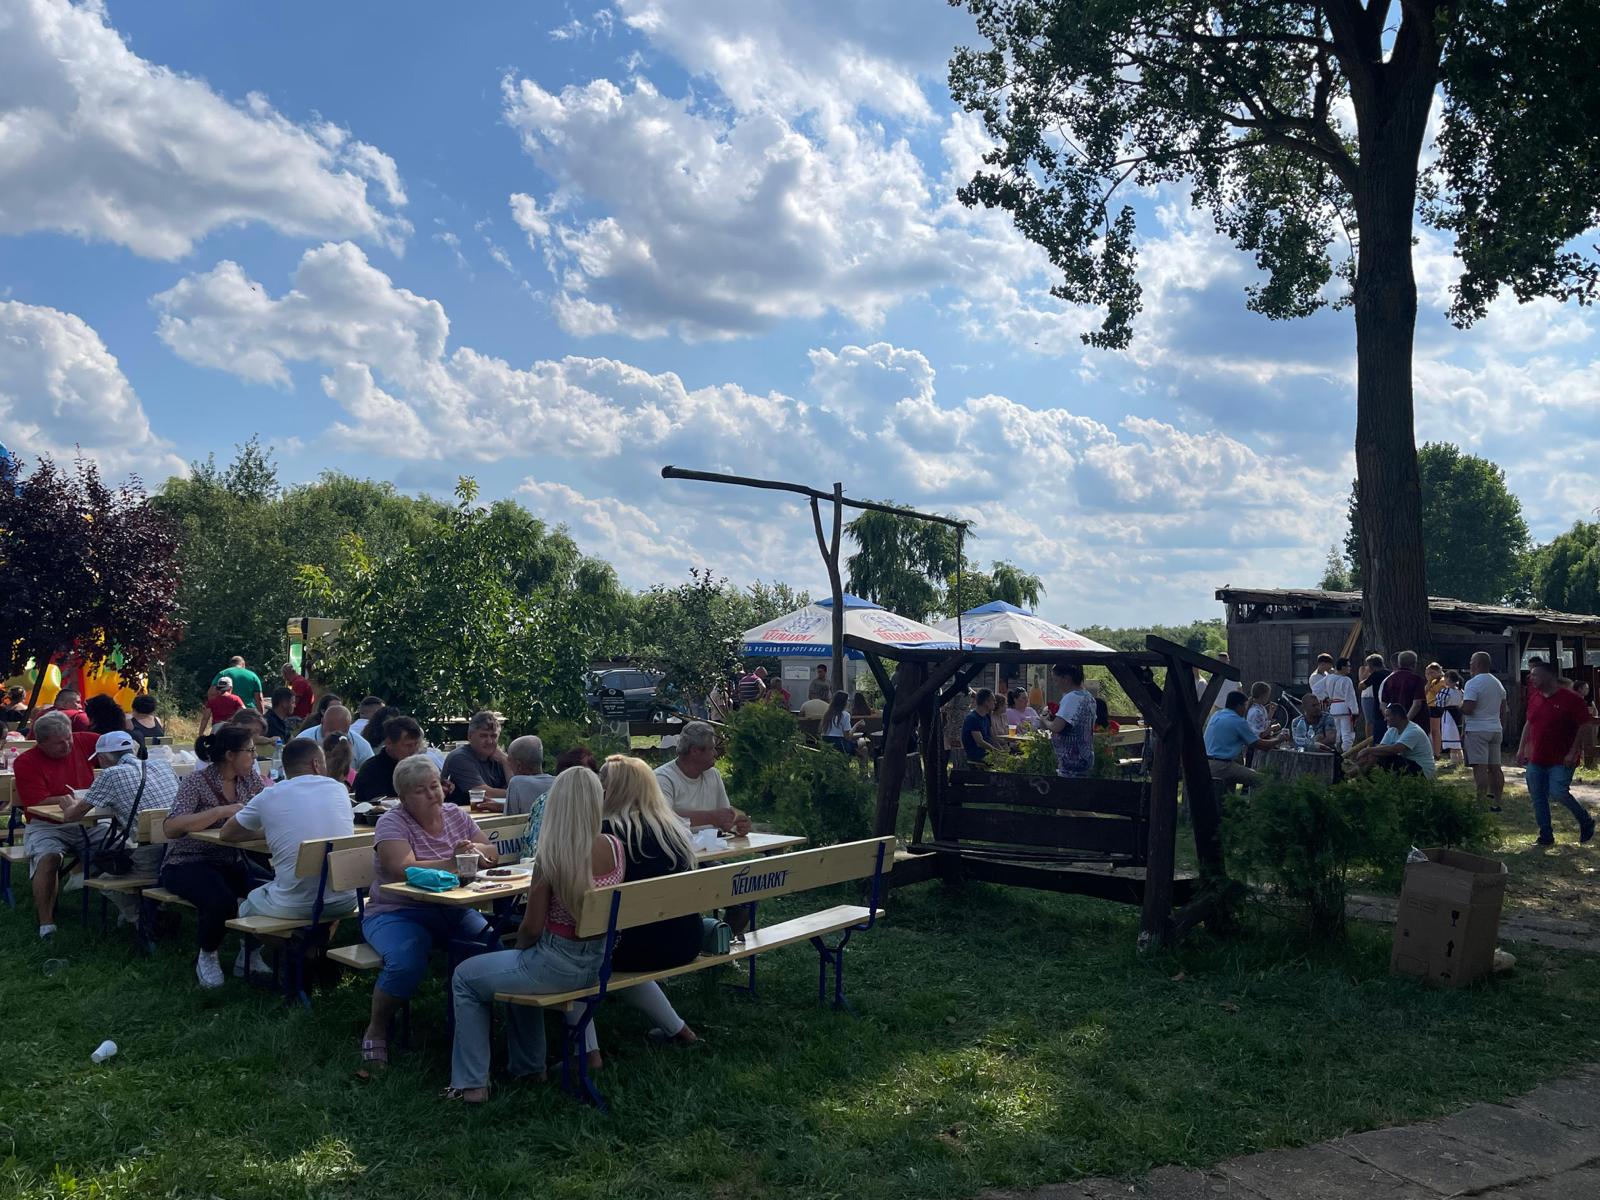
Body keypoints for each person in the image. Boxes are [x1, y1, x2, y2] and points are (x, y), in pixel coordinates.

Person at [446, 767, 618, 1100]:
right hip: (597, 965)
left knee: (465, 977)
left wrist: (522, 947)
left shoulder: (552, 855)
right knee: (514, 966)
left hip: (555, 966)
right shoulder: (614, 847)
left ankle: (472, 1084)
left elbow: (531, 928)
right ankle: (528, 1067)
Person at [358, 754, 500, 1068]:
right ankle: (377, 1028)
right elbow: (401, 868)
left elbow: (491, 853)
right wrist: (452, 861)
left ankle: (478, 1025)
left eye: (434, 786)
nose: (432, 794)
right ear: (403, 798)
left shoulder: (455, 814)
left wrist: (475, 851)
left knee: (492, 946)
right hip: (396, 911)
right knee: (405, 963)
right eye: (421, 790)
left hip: (452, 908)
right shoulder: (391, 822)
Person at [593, 756, 700, 1043]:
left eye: (602, 782)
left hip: (636, 949)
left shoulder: (606, 836)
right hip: (686, 940)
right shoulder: (674, 830)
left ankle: (586, 1050)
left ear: (612, 790)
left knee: (579, 954)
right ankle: (678, 1029)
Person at [158, 724, 270, 987]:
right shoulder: (197, 781)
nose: (254, 756)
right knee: (221, 901)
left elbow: (267, 809)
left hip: (230, 859)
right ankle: (207, 955)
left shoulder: (251, 780)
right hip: (186, 862)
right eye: (250, 750)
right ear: (230, 755)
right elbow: (171, 827)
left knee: (268, 892)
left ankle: (249, 953)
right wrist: (220, 811)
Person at [219, 738, 357, 921]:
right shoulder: (339, 790)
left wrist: (267, 831)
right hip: (346, 900)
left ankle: (285, 941)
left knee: (246, 903)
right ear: (316, 764)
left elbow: (226, 833)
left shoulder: (270, 795)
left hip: (294, 904)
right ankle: (310, 938)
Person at [66, 731, 179, 922]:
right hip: (180, 847)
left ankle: (143, 919)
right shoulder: (163, 765)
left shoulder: (110, 774)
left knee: (105, 881)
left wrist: (67, 804)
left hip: (153, 856)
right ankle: (152, 908)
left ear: (103, 758)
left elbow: (73, 815)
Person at [14, 712, 99, 939]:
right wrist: (62, 799)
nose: (67, 745)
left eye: (68, 738)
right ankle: (46, 923)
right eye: (59, 743)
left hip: (87, 821)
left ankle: (132, 913)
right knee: (49, 857)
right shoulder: (26, 762)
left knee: (123, 846)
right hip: (46, 824)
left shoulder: (84, 740)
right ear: (40, 743)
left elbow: (120, 745)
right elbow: (35, 803)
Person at [1517, 659, 1596, 846]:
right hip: (1537, 757)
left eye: (1535, 675)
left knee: (1558, 792)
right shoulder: (1535, 698)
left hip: (1562, 757)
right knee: (1538, 796)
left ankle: (1585, 820)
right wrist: (1521, 748)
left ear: (1549, 676)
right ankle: (1545, 835)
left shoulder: (1571, 699)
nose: (1531, 678)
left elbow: (1584, 725)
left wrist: (1573, 751)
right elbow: (1529, 723)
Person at [655, 722, 748, 833]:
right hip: (676, 843)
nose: (715, 753)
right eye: (711, 748)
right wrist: (710, 817)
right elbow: (662, 817)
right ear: (695, 751)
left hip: (713, 843)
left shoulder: (713, 775)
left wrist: (737, 825)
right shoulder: (663, 779)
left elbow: (725, 819)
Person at [1204, 691, 1288, 788]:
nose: (1246, 709)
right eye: (1245, 705)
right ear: (1239, 706)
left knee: (1231, 783)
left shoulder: (1217, 715)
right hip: (1223, 766)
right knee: (1265, 780)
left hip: (1206, 763)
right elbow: (1262, 746)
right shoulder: (1238, 721)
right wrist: (1279, 739)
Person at [1461, 651, 1508, 812]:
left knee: (1480, 767)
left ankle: (1480, 803)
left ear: (1476, 664)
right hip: (1495, 728)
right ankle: (1497, 802)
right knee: (1495, 767)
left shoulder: (1472, 683)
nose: (1470, 665)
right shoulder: (1497, 683)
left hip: (1477, 729)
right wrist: (1501, 726)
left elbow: (1468, 708)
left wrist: (1458, 705)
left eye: (1471, 662)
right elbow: (1503, 709)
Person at [502, 736, 555, 859]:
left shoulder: (517, 782)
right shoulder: (557, 782)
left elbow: (509, 821)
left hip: (528, 851)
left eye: (509, 760)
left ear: (518, 765)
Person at [441, 711, 510, 801]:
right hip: (461, 809)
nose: (489, 741)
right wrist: (515, 794)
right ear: (470, 737)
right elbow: (484, 793)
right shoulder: (459, 758)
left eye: (493, 736)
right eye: (483, 736)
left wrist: (505, 761)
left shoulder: (499, 758)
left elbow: (517, 784)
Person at [1355, 702, 1436, 778]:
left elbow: (1396, 749)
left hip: (1422, 770)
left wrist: (1367, 750)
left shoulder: (1413, 731)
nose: (1385, 719)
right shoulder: (1392, 729)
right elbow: (1381, 747)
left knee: (1381, 757)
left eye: (1387, 716)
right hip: (1408, 764)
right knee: (1375, 755)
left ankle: (1354, 777)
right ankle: (1357, 778)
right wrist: (1368, 754)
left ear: (1397, 716)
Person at [353, 716, 423, 803]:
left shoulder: (418, 766)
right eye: (408, 745)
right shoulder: (372, 769)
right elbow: (377, 802)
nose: (414, 750)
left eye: (416, 744)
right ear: (389, 743)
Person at [1048, 664, 1098, 778]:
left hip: (1072, 759)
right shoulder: (1088, 697)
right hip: (1085, 755)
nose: (1056, 684)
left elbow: (1057, 726)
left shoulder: (1071, 698)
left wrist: (1044, 720)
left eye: (1056, 680)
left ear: (1066, 679)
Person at [296, 703, 372, 767]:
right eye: (331, 731)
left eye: (340, 733)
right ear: (322, 722)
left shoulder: (361, 745)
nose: (334, 737)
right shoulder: (303, 741)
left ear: (349, 727)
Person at [1379, 650, 1427, 723]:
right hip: (1414, 722)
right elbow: (1417, 704)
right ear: (1414, 664)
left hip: (1394, 721)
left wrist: (1389, 718)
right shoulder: (1417, 680)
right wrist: (1405, 722)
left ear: (1399, 663)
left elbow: (1383, 704)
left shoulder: (1389, 680)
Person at [1324, 657, 1360, 751]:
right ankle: (1346, 752)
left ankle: (1335, 751)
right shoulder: (1346, 680)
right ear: (1343, 667)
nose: (1349, 668)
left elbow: (1316, 688)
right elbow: (1350, 697)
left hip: (1333, 707)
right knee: (1347, 732)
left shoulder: (1329, 678)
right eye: (1348, 666)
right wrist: (1355, 711)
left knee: (1336, 732)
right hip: (1344, 708)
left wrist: (1325, 698)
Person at [962, 689, 1000, 765]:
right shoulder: (972, 718)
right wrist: (996, 751)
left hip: (987, 753)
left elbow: (992, 736)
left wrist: (1001, 749)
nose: (995, 702)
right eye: (993, 700)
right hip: (977, 755)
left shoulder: (986, 716)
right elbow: (979, 742)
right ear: (986, 702)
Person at [1358, 653, 1390, 741]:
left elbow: (1361, 686)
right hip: (1390, 704)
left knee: (1378, 728)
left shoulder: (1375, 675)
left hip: (1379, 706)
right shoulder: (1390, 673)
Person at [1437, 670, 1465, 763]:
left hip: (1449, 716)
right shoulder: (1460, 691)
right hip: (1459, 715)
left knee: (1451, 737)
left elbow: (1439, 703)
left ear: (1448, 679)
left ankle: (1454, 761)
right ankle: (1460, 760)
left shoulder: (1446, 691)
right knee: (1457, 737)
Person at [1424, 662, 1447, 757]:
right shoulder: (1432, 682)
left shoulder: (1442, 681)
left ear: (1438, 672)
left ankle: (1437, 752)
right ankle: (1433, 751)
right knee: (1430, 730)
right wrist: (1429, 682)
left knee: (1435, 730)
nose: (1429, 675)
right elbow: (1425, 692)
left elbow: (1442, 694)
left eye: (1432, 673)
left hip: (1435, 707)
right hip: (1429, 706)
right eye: (1427, 673)